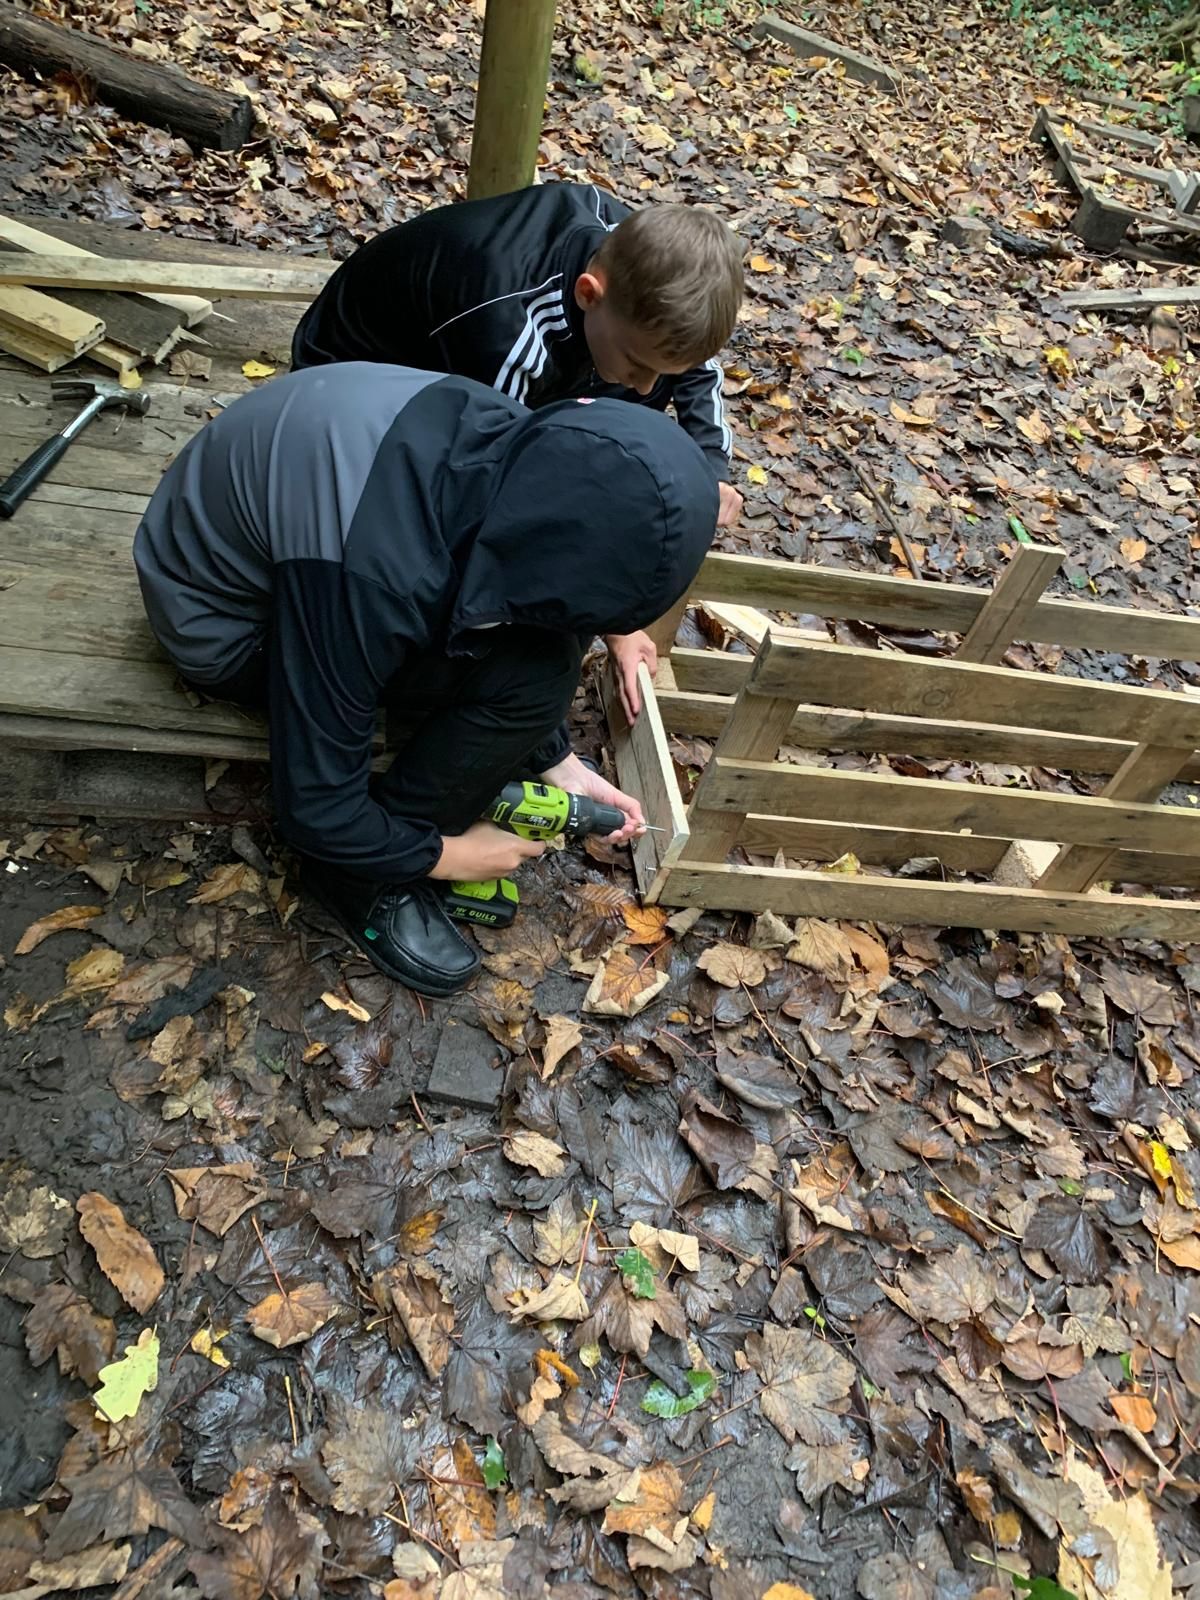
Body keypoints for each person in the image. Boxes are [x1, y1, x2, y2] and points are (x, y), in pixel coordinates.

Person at [134, 363, 717, 998]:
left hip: (306, 554)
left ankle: (426, 814)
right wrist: (447, 854)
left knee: (546, 662)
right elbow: (317, 808)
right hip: (221, 619)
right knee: (534, 672)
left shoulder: (533, 453)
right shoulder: (369, 575)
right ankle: (355, 882)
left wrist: (556, 758)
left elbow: (521, 596)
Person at [290, 184, 743, 720]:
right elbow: (499, 483)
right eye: (638, 365)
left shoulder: (644, 260)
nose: (647, 390)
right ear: (587, 293)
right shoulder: (508, 330)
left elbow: (694, 367)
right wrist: (615, 620)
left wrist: (711, 466)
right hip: (347, 387)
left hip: (479, 358)